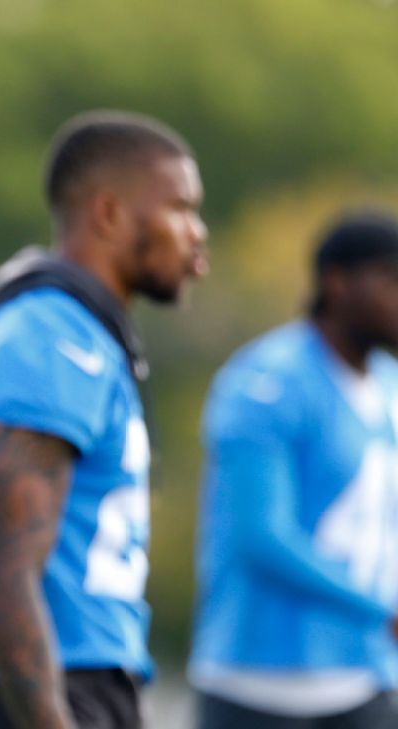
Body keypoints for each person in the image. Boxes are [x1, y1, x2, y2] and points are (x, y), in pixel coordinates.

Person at [0, 110, 209, 729]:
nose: (196, 234)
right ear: (109, 214)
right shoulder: (50, 338)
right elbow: (6, 575)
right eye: (181, 208)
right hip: (20, 695)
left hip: (65, 684)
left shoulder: (78, 336)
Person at [189, 211, 398, 729]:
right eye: (393, 280)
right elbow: (260, 535)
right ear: (337, 281)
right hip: (259, 680)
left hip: (362, 675)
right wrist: (381, 609)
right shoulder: (269, 380)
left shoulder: (390, 385)